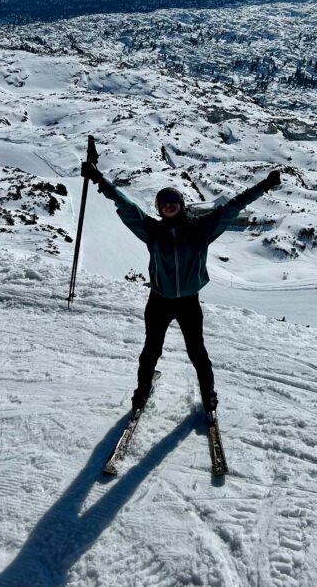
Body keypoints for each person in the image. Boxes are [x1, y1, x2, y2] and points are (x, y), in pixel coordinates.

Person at [85, 164, 282, 413]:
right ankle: (143, 388)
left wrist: (264, 185)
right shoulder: (153, 231)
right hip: (159, 301)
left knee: (197, 351)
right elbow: (126, 206)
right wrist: (100, 179)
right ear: (158, 208)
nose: (169, 204)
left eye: (173, 199)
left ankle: (208, 392)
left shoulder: (200, 227)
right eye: (164, 201)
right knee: (151, 350)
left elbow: (233, 206)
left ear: (181, 203)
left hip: (189, 302)